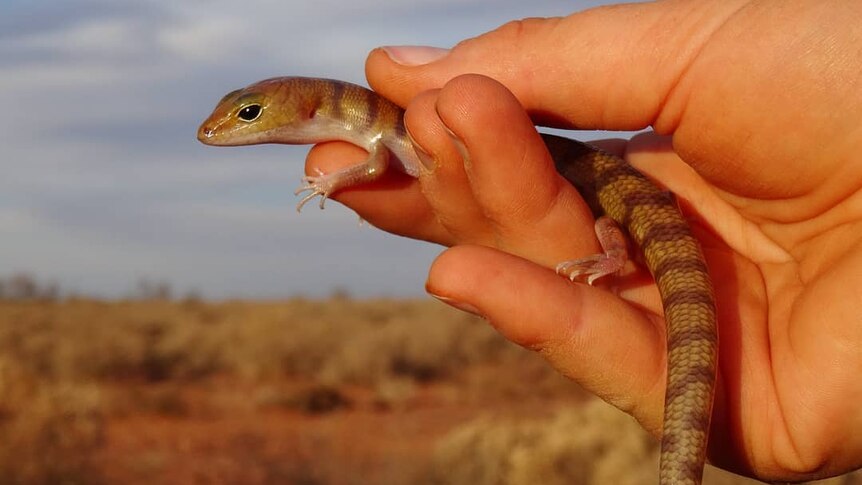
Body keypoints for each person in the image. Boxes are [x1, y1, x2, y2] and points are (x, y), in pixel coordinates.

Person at [304, 1, 862, 481]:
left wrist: (332, 181)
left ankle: (618, 253)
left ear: (309, 110)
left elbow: (378, 161)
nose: (216, 134)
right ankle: (617, 250)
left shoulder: (380, 133)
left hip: (610, 187)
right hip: (610, 191)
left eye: (249, 117)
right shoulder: (374, 127)